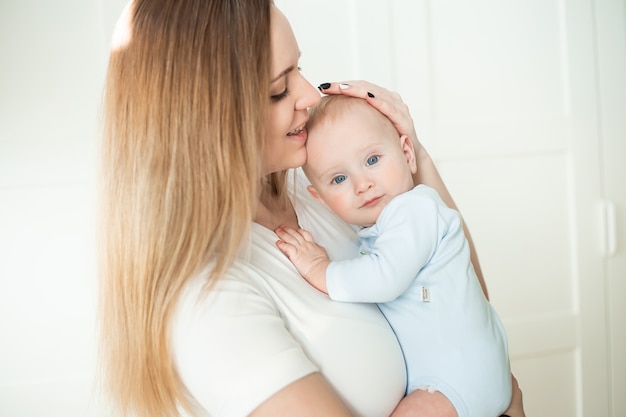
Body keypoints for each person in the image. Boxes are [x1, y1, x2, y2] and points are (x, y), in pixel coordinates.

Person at [98, 1, 525, 416]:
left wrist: (415, 159)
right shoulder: (208, 299)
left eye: (299, 68)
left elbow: (460, 300)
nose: (309, 94)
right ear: (208, 120)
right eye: (279, 89)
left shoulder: (321, 187)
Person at [275, 95, 513, 417]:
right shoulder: (380, 227)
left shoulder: (415, 209)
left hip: (456, 379)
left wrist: (321, 268)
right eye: (339, 179)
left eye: (372, 160)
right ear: (320, 198)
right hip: (454, 376)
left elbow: (385, 278)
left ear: (406, 153)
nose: (363, 184)